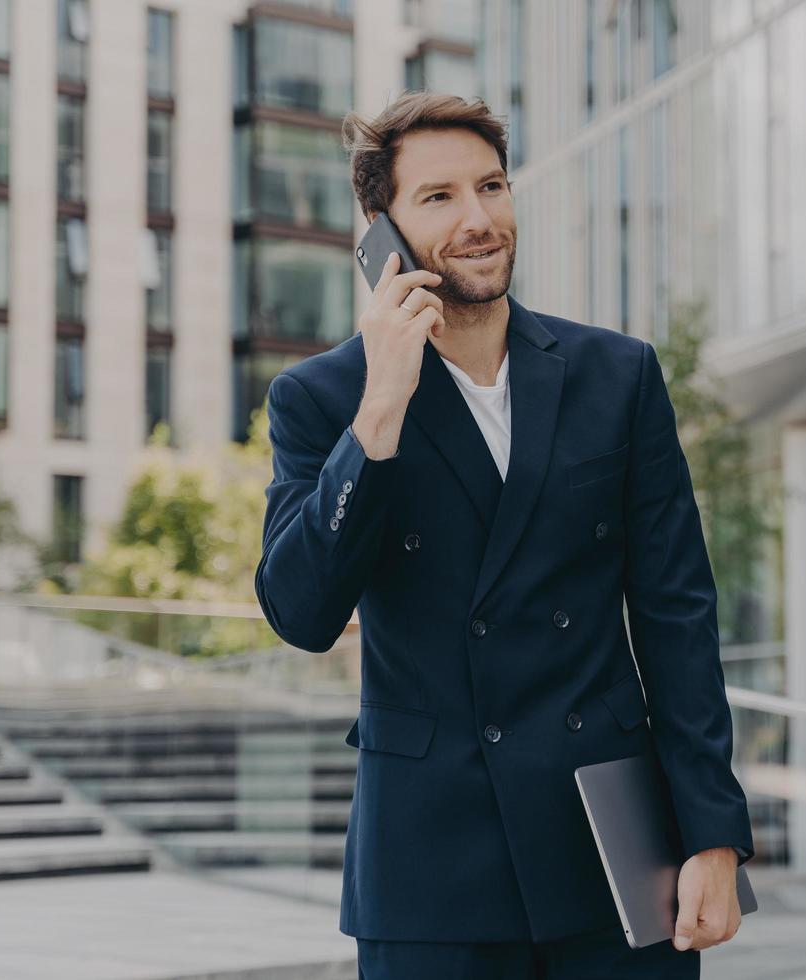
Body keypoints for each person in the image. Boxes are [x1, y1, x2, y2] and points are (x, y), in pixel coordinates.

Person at [254, 91, 754, 979]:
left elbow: (678, 616)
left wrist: (713, 834)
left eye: (492, 186)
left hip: (613, 849)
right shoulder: (324, 398)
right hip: (431, 868)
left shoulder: (618, 373)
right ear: (382, 231)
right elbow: (299, 612)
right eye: (439, 197)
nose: (479, 219)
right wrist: (381, 409)